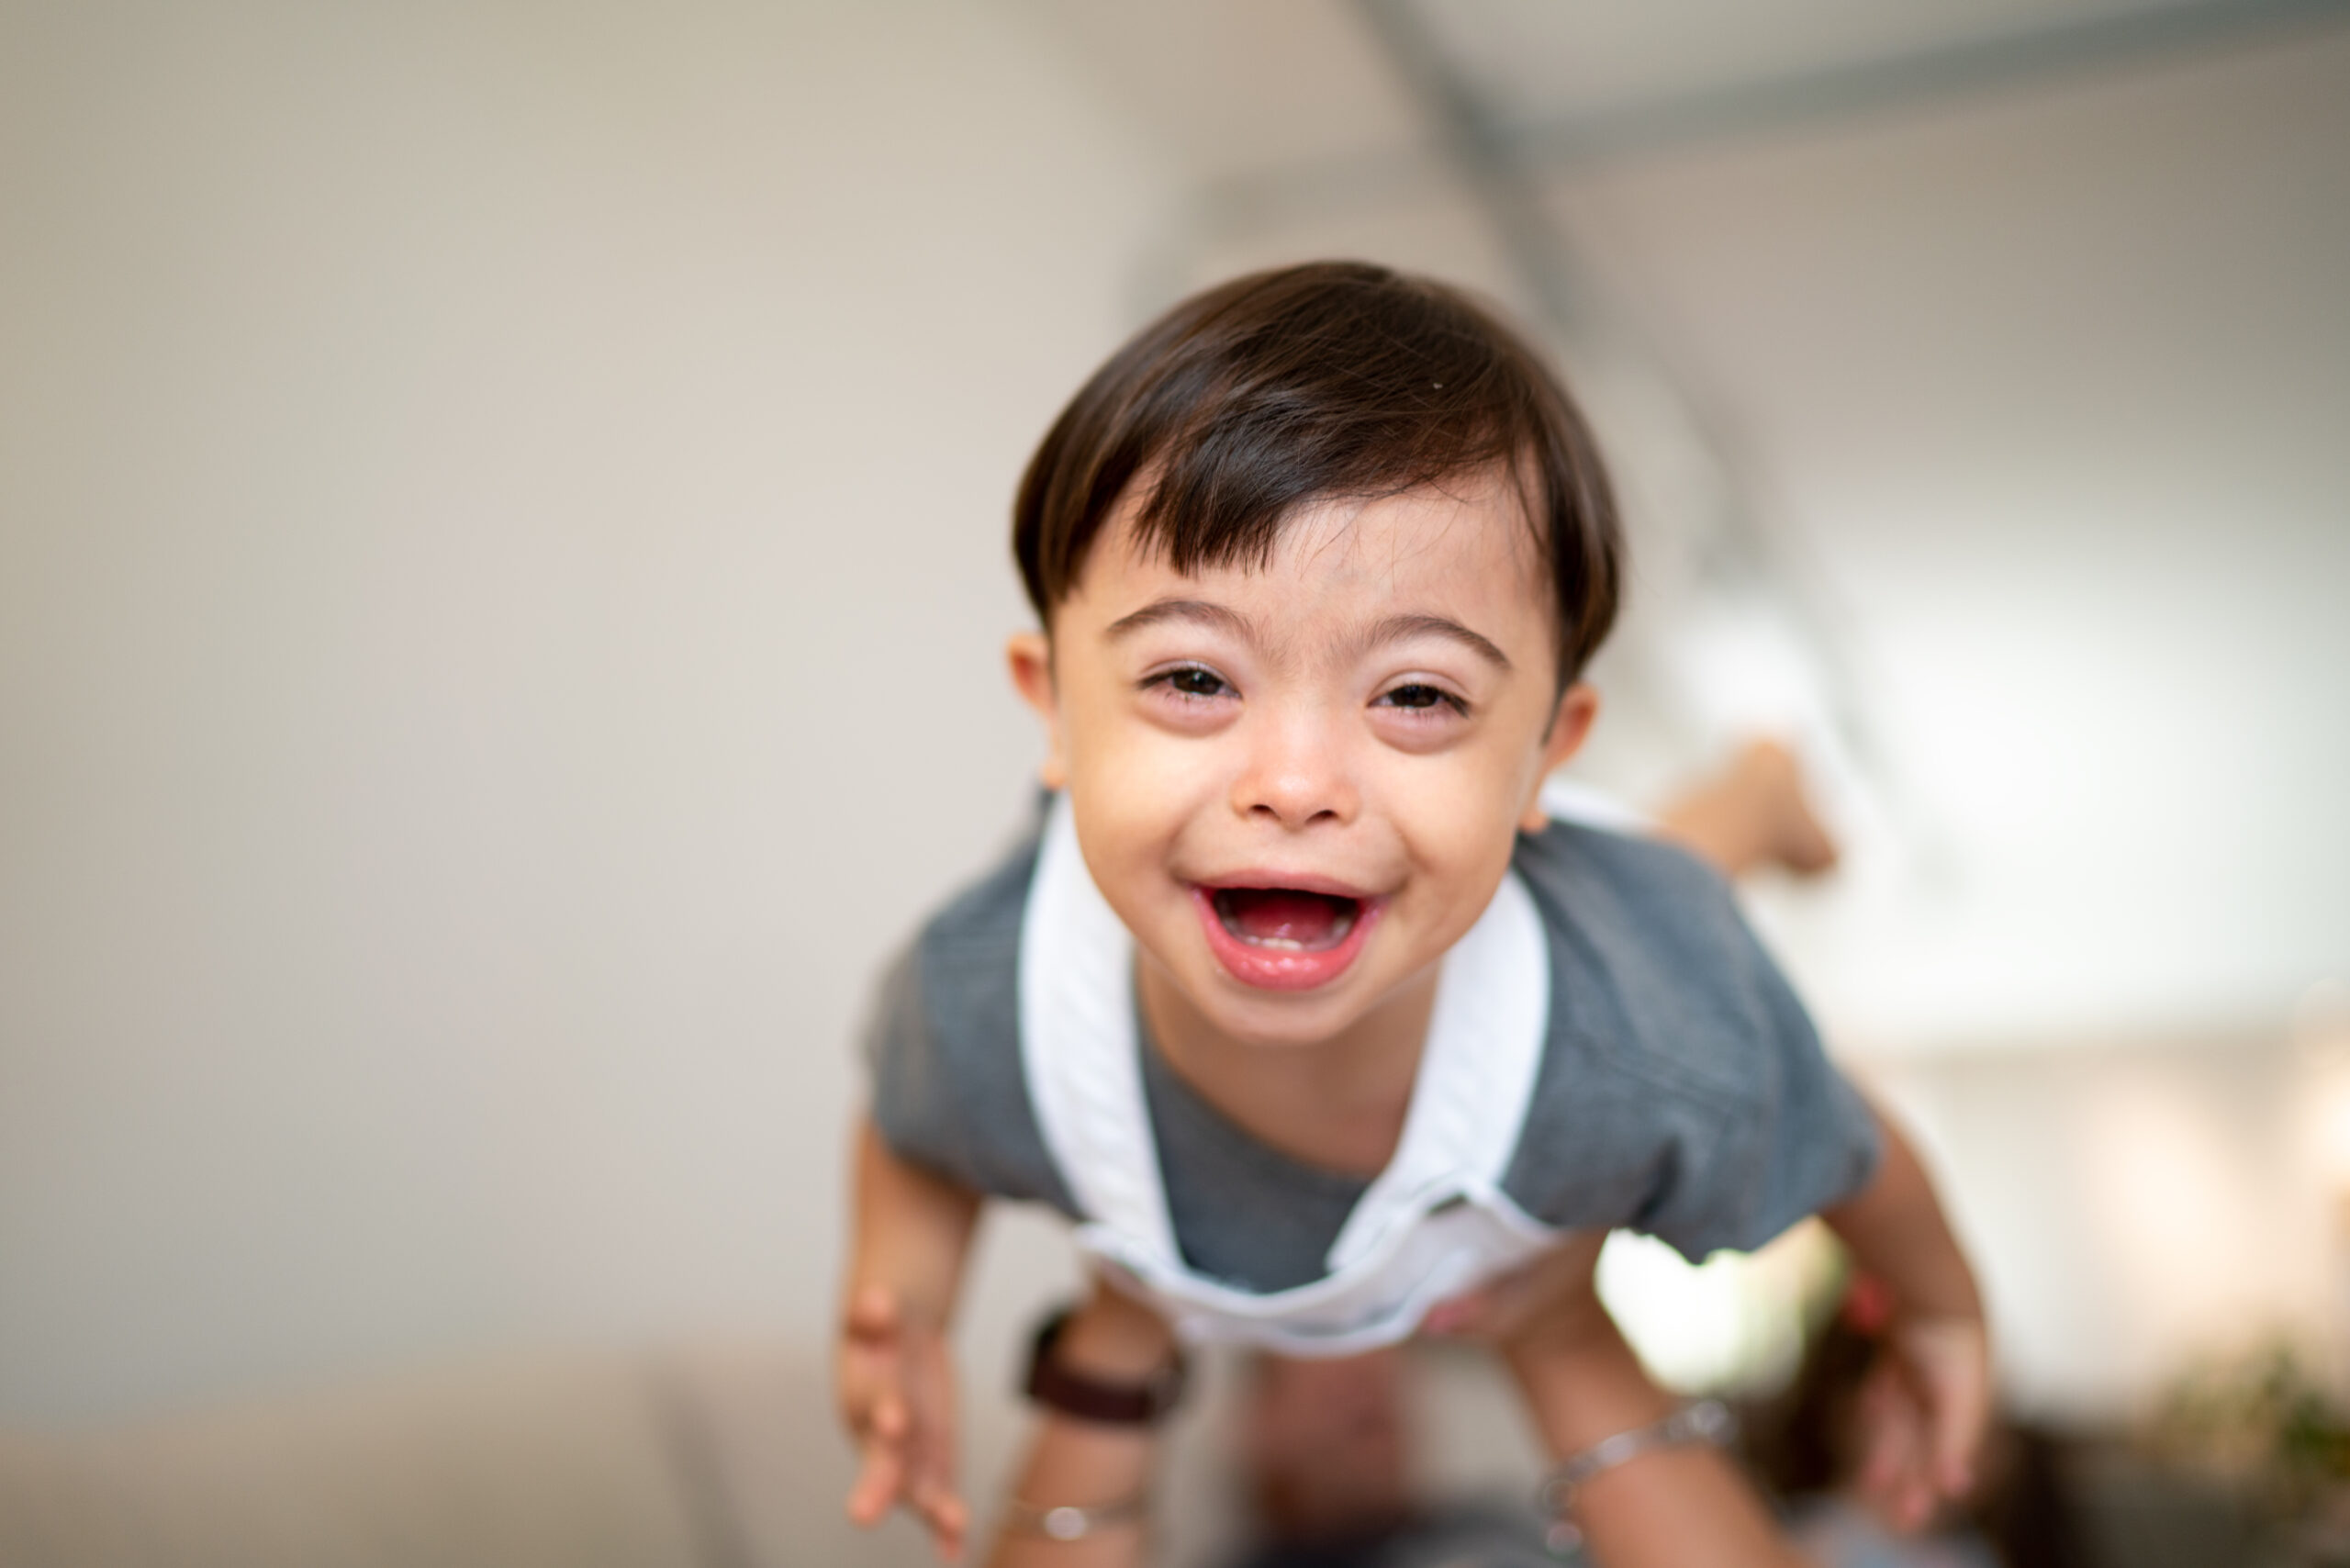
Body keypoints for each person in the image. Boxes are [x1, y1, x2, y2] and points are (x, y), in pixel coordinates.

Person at [834, 261, 1987, 1563]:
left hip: (1592, 943)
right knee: (1527, 880)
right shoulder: (994, 998)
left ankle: (1760, 793)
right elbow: (911, 1129)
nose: (1295, 786)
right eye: (1196, 675)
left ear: (1550, 750)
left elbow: (1855, 1148)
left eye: (1419, 696)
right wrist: (900, 1303)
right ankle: (1728, 790)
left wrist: (1945, 1311)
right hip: (1490, 927)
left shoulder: (1664, 1040)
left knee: (1656, 887)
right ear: (1052, 709)